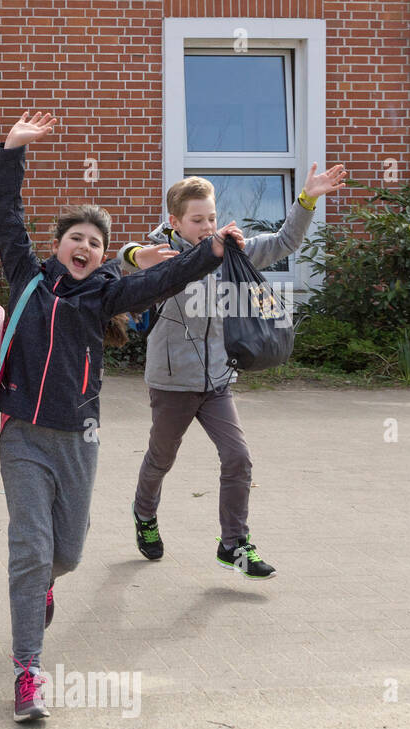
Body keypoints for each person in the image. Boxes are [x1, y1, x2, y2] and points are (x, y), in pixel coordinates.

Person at [0, 111, 244, 722]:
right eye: (76, 237)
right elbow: (7, 217)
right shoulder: (28, 276)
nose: (84, 247)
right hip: (23, 432)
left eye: (95, 242)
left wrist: (210, 249)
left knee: (68, 554)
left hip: (79, 439)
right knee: (29, 547)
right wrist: (11, 152)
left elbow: (168, 276)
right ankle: (29, 670)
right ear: (59, 245)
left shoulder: (108, 293)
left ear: (104, 256)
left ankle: (45, 586)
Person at [119, 164, 347, 578]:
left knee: (238, 458)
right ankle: (145, 515)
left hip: (218, 379)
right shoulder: (160, 253)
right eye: (197, 220)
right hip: (172, 382)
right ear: (175, 222)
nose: (207, 226)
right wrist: (136, 254)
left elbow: (284, 241)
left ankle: (234, 545)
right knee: (161, 457)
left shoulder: (232, 249)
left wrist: (307, 199)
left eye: (211, 218)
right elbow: (124, 259)